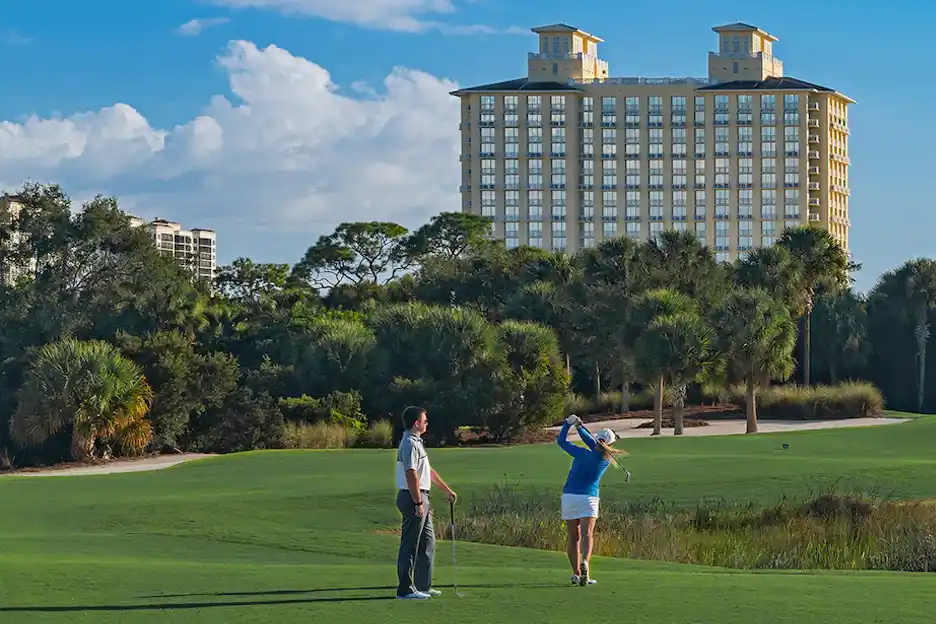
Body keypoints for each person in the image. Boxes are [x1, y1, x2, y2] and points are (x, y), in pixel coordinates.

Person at [395, 405, 457, 600]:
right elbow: (411, 474)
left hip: (422, 496)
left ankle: (423, 585)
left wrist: (446, 489)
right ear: (416, 423)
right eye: (424, 420)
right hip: (413, 497)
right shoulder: (409, 444)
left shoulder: (417, 442)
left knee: (427, 543)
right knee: (410, 545)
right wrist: (418, 503)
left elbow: (426, 471)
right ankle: (405, 589)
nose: (426, 423)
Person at [556, 413, 626, 586]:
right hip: (589, 498)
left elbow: (561, 442)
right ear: (609, 444)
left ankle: (576, 573)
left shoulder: (581, 454)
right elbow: (595, 445)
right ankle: (585, 562)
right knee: (588, 535)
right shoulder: (606, 459)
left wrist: (569, 424)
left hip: (570, 496)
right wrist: (579, 428)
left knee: (573, 537)